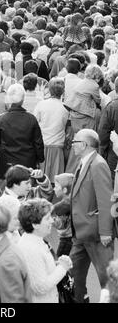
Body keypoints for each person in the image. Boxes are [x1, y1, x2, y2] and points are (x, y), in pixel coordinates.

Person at [70, 129, 114, 303]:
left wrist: (105, 232)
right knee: (73, 276)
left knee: (107, 281)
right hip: (80, 232)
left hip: (96, 234)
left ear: (84, 145)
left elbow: (105, 201)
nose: (72, 144)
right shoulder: (84, 162)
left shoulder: (98, 164)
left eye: (75, 142)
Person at [17, 198, 72, 303]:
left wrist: (56, 264)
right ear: (35, 224)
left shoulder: (36, 240)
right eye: (47, 218)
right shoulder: (31, 248)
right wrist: (62, 268)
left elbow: (39, 269)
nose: (52, 220)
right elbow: (40, 287)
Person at [0, 83, 44, 187]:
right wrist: (40, 158)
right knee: (27, 193)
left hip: (6, 163)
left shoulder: (1, 119)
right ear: (23, 99)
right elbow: (38, 143)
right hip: (27, 163)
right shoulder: (31, 119)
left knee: (5, 194)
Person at [34, 78, 69, 182]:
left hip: (41, 146)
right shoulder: (65, 108)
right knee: (56, 181)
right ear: (63, 91)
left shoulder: (41, 104)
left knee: (39, 180)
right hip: (57, 147)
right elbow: (67, 129)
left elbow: (34, 124)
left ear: (49, 89)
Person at [52, 173, 75, 257]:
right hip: (72, 238)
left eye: (56, 186)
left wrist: (50, 220)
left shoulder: (64, 206)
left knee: (61, 263)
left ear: (64, 190)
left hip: (66, 239)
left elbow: (61, 225)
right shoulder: (70, 201)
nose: (54, 189)